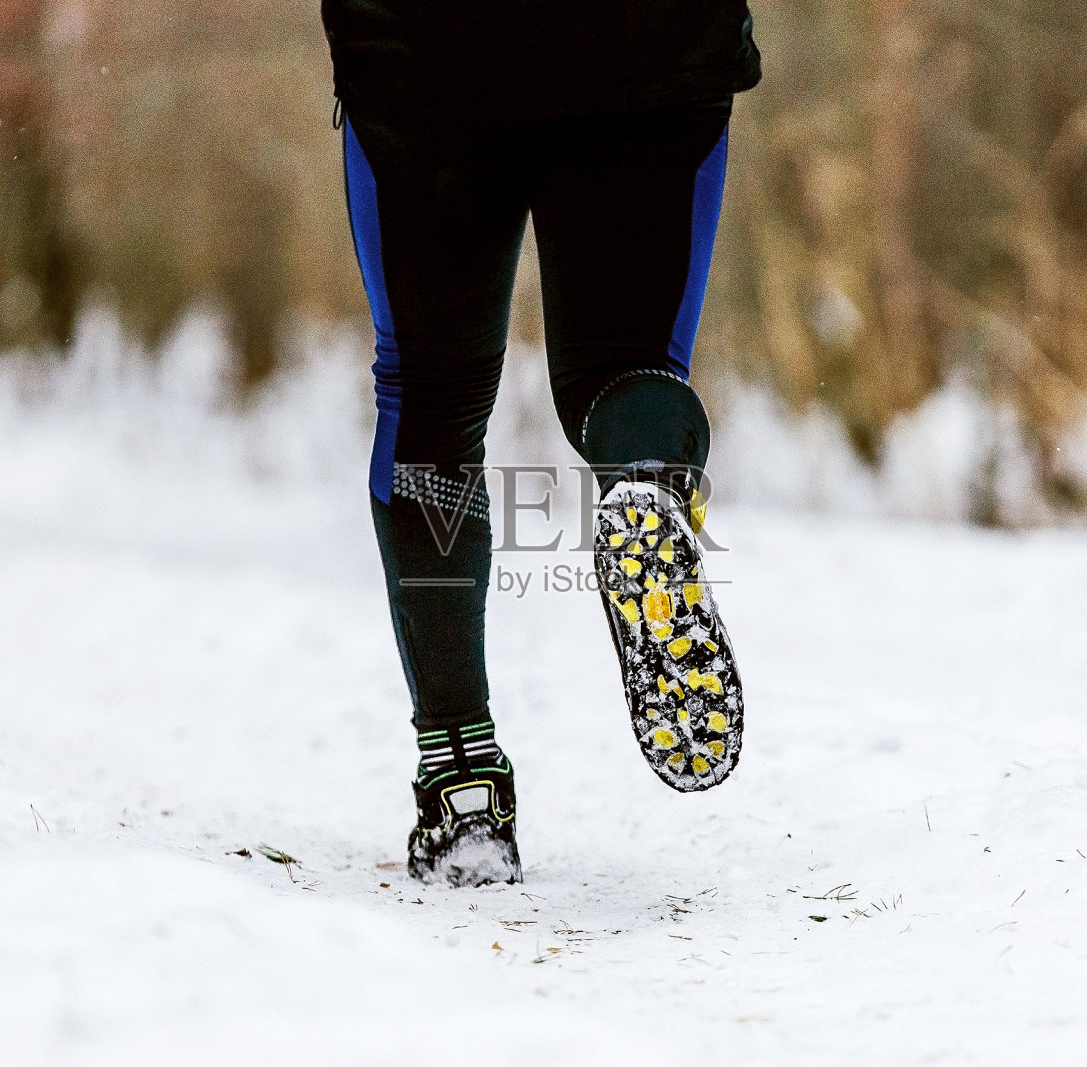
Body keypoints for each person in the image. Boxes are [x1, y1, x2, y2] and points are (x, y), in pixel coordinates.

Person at [322, 0, 761, 885]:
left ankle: (462, 781)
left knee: (430, 400)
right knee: (629, 366)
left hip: (424, 52)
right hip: (650, 44)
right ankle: (645, 486)